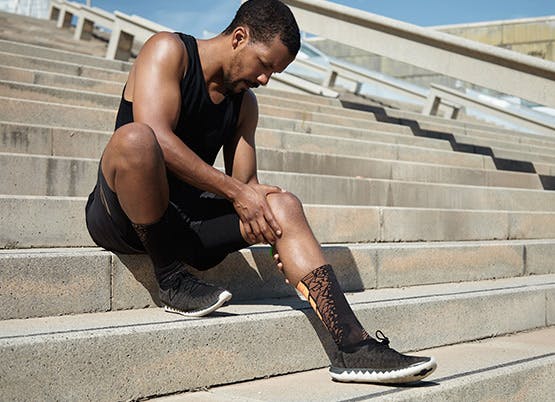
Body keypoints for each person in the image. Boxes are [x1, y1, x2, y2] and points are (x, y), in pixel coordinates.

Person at [85, 0, 436, 384]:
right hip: (122, 215)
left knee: (282, 204)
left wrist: (272, 230)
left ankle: (353, 345)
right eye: (266, 65)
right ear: (239, 37)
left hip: (187, 224)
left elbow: (247, 188)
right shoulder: (169, 51)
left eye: (275, 72)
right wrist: (237, 192)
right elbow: (159, 138)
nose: (266, 79)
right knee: (136, 139)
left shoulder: (244, 105)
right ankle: (171, 280)